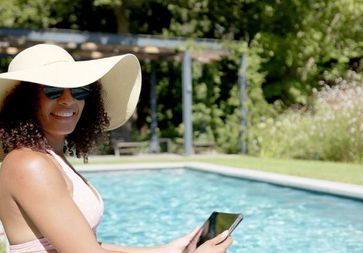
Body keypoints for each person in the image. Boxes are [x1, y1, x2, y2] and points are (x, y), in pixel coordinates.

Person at [0, 44, 233, 253]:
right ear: (24, 100)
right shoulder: (29, 164)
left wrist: (167, 250)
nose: (68, 100)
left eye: (79, 91)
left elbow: (90, 245)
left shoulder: (50, 158)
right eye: (53, 90)